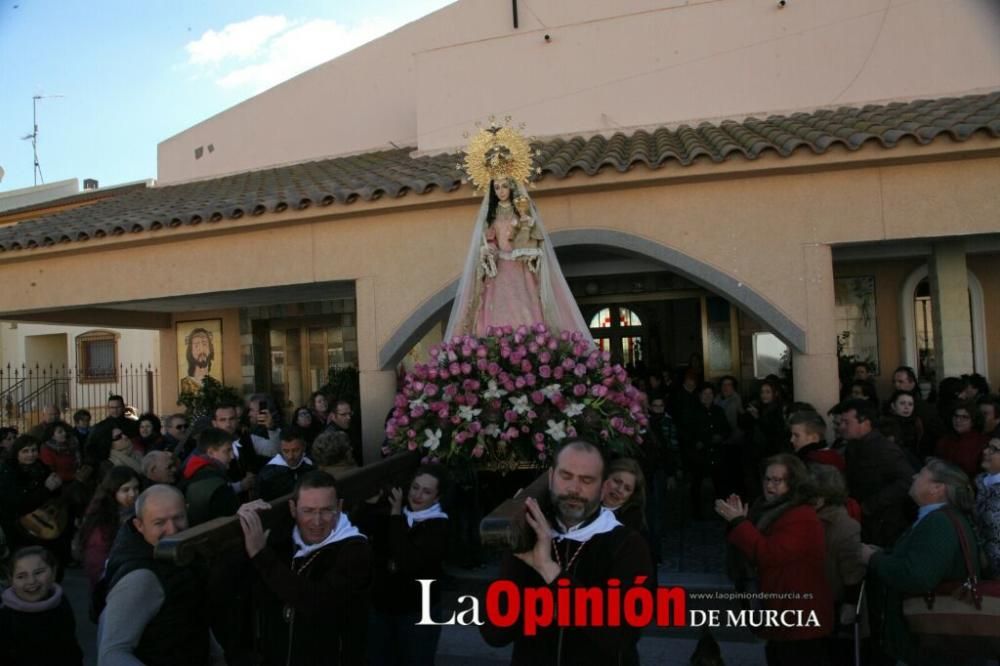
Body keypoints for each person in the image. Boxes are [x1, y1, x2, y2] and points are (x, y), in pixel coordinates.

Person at [480, 439, 655, 665]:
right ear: (551, 478)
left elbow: (621, 636)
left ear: (603, 488)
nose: (574, 489)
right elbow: (495, 634)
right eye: (566, 476)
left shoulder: (629, 545)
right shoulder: (533, 533)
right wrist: (516, 545)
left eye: (586, 480)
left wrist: (549, 570)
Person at [444, 123, 591, 342]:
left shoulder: (523, 212)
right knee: (493, 313)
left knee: (527, 310)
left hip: (521, 269)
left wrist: (526, 245)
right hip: (498, 271)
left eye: (504, 186)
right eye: (496, 187)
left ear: (512, 187)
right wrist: (489, 252)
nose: (501, 191)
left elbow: (534, 240)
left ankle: (530, 344)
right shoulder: (490, 218)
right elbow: (489, 240)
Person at [238, 470, 372, 666]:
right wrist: (247, 519)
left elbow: (316, 601)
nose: (317, 521)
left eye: (326, 510)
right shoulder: (282, 540)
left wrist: (262, 556)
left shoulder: (355, 550)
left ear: (340, 507)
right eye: (308, 510)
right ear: (293, 509)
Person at [861, 458, 982, 665]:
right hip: (932, 641)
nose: (914, 477)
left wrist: (873, 558)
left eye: (921, 474)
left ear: (937, 487)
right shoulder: (940, 518)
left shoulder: (939, 522)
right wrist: (886, 553)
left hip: (928, 644)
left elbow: (916, 576)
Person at [715, 454, 833, 665]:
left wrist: (739, 523)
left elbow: (769, 554)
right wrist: (740, 521)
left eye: (777, 480)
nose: (770, 485)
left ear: (793, 483)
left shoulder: (800, 515)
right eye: (767, 479)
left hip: (798, 615)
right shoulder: (770, 509)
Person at [98, 484, 223, 665]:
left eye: (178, 517)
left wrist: (217, 655)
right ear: (139, 525)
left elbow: (190, 615)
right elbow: (112, 654)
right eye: (159, 522)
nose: (172, 530)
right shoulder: (140, 577)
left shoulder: (180, 554)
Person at [360, 465, 450, 666]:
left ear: (436, 497)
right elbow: (363, 531)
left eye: (426, 491)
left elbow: (407, 560)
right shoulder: (397, 511)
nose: (417, 495)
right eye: (415, 487)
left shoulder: (438, 525)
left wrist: (395, 515)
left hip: (417, 610)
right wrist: (370, 505)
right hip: (383, 609)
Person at [839, 399, 914, 547]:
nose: (842, 427)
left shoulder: (884, 450)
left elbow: (907, 481)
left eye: (847, 422)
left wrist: (870, 505)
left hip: (884, 525)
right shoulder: (852, 447)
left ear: (865, 423)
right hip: (863, 521)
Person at [810, 464, 865, 662]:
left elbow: (852, 572)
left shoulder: (842, 526)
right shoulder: (807, 519)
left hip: (829, 605)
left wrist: (849, 606)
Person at [0, 546, 83, 666]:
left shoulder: (61, 603)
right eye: (21, 576)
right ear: (11, 580)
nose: (31, 581)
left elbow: (71, 649)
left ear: (54, 572)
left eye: (38, 572)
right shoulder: (5, 618)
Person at [0, 435, 66, 561]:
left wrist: (56, 485)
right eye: (25, 451)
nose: (31, 454)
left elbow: (54, 496)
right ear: (17, 453)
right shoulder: (8, 472)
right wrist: (46, 489)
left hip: (41, 523)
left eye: (34, 450)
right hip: (18, 526)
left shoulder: (40, 467)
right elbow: (18, 503)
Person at [77, 466, 140, 590]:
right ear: (113, 491)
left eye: (136, 488)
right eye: (125, 490)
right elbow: (96, 559)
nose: (133, 494)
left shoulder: (139, 510)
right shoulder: (102, 519)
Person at [180, 426, 241, 525]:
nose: (232, 456)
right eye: (227, 450)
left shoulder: (194, 472)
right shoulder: (215, 484)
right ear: (211, 452)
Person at [935, 400, 990, 480]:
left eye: (965, 417)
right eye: (956, 416)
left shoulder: (983, 442)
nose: (958, 420)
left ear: (973, 421)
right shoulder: (944, 440)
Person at [257, 429, 315, 500]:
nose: (290, 456)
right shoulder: (267, 475)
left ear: (304, 447)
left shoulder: (312, 466)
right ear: (280, 449)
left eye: (296, 450)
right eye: (286, 451)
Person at [973, 437, 1000, 576]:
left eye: (993, 450)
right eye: (987, 447)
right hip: (977, 566)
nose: (985, 451)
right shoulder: (977, 483)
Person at [600, 457, 646, 532]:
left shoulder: (631, 521)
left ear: (632, 494)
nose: (620, 490)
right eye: (617, 481)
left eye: (627, 489)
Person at [180, 327, 216, 394]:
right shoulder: (186, 383)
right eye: (196, 346)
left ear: (210, 349)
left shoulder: (215, 384)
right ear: (190, 351)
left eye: (205, 344)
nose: (201, 349)